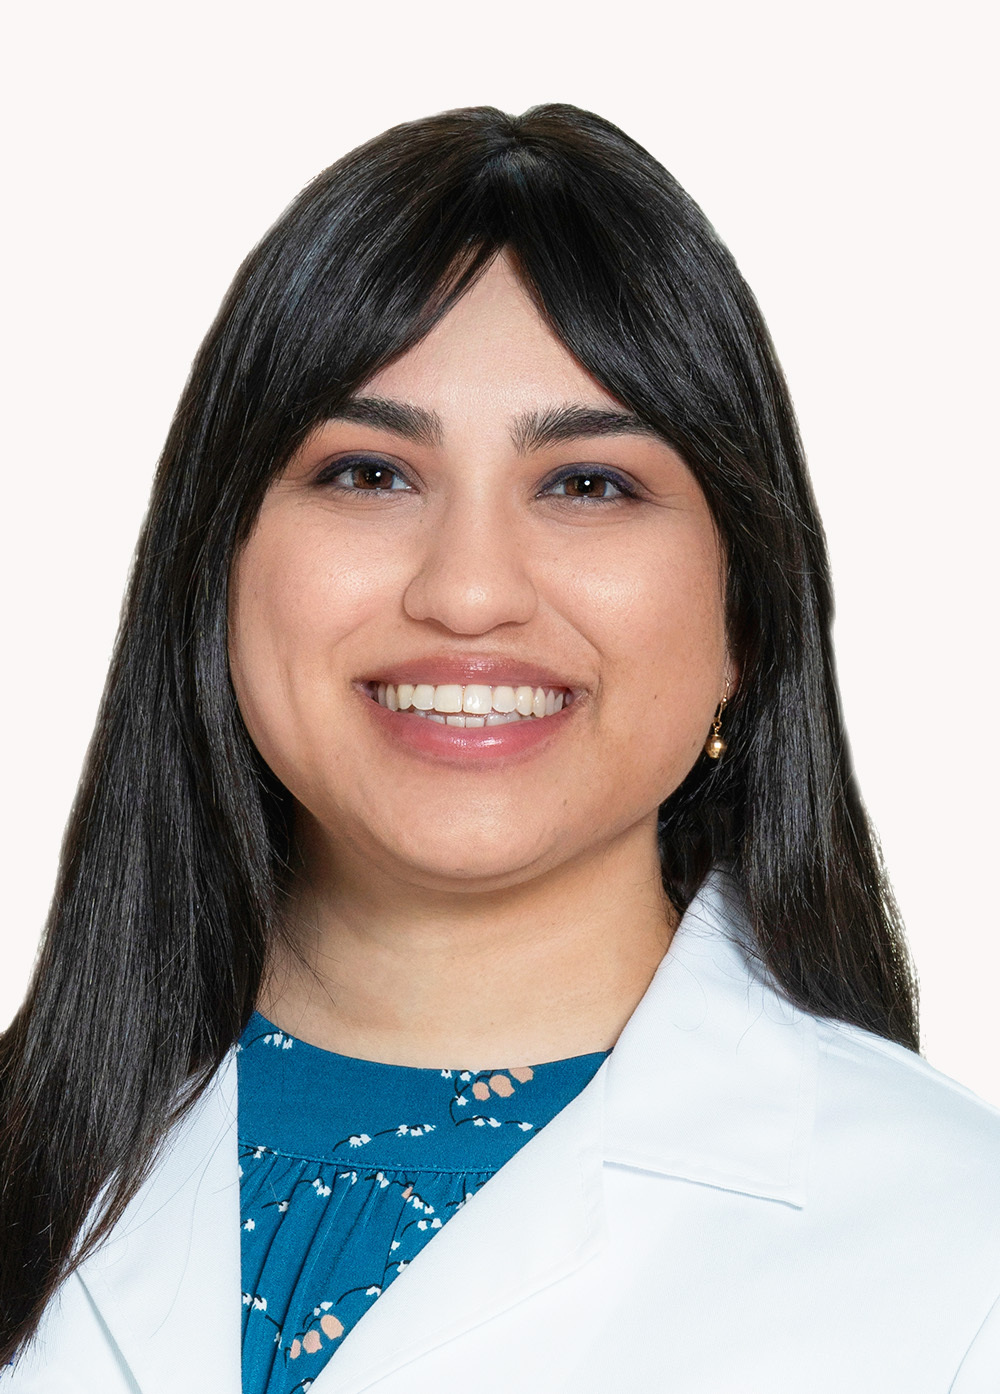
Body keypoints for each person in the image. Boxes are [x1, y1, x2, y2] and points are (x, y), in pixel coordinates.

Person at [1, 103, 998, 1393]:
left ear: (747, 617)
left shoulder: (957, 1248)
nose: (468, 594)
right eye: (368, 474)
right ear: (217, 570)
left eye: (590, 484)